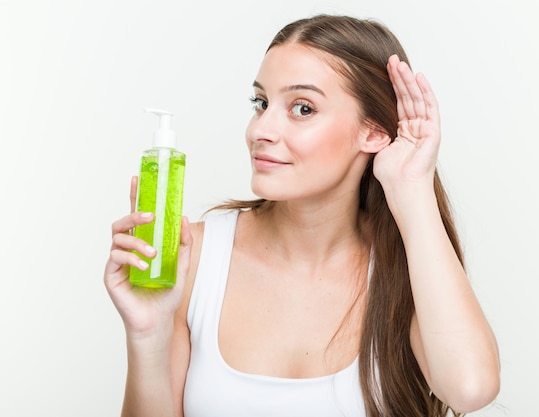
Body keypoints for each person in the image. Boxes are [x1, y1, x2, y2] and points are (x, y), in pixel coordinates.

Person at [104, 13, 500, 417]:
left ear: (375, 132)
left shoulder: (406, 268)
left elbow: (469, 390)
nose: (261, 129)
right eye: (261, 103)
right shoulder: (196, 255)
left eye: (303, 108)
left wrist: (411, 188)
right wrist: (148, 336)